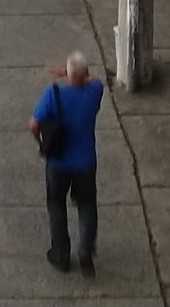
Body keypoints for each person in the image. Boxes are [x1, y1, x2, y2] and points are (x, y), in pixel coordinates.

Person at [30, 51, 105, 275]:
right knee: (87, 205)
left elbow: (33, 124)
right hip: (85, 163)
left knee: (56, 205)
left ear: (68, 74)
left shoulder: (53, 95)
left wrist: (40, 141)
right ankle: (85, 251)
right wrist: (74, 73)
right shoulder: (95, 91)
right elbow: (92, 78)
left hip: (58, 163)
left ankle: (61, 255)